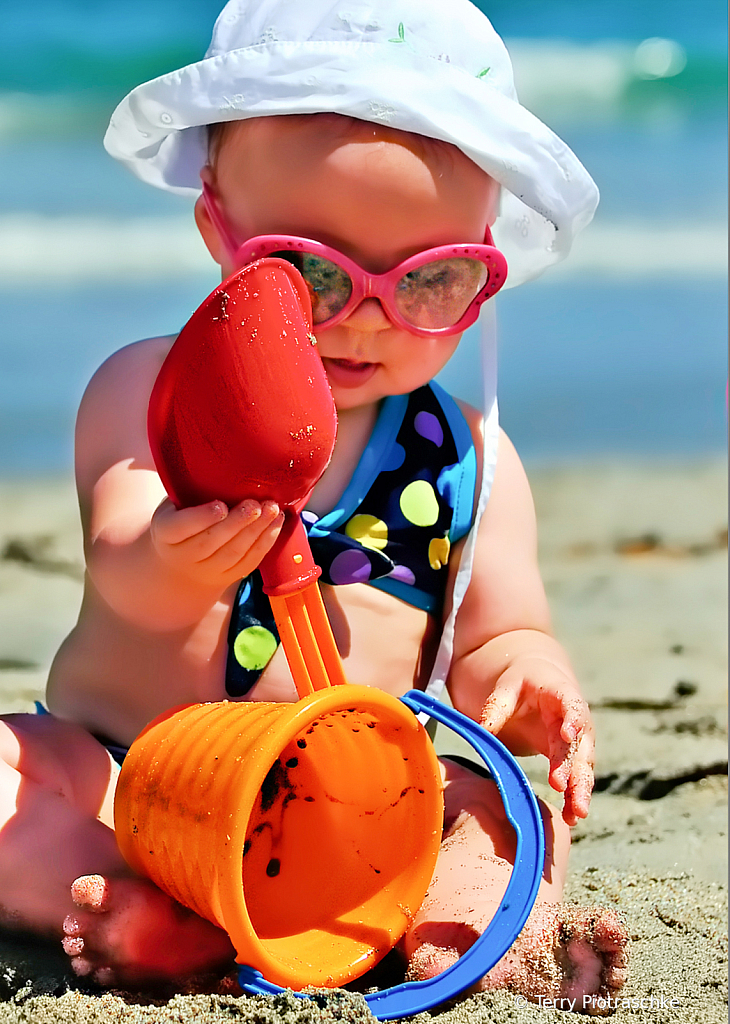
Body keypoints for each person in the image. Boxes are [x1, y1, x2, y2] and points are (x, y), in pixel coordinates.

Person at [0, 0, 628, 1005]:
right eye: (308, 272)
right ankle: (130, 900)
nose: (365, 320)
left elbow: (494, 638)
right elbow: (126, 567)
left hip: (348, 821)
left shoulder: (471, 456)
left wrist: (531, 677)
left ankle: (466, 932)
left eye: (428, 282)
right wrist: (171, 557)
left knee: (506, 814)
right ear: (219, 226)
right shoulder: (149, 390)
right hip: (129, 782)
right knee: (11, 771)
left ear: (483, 270)